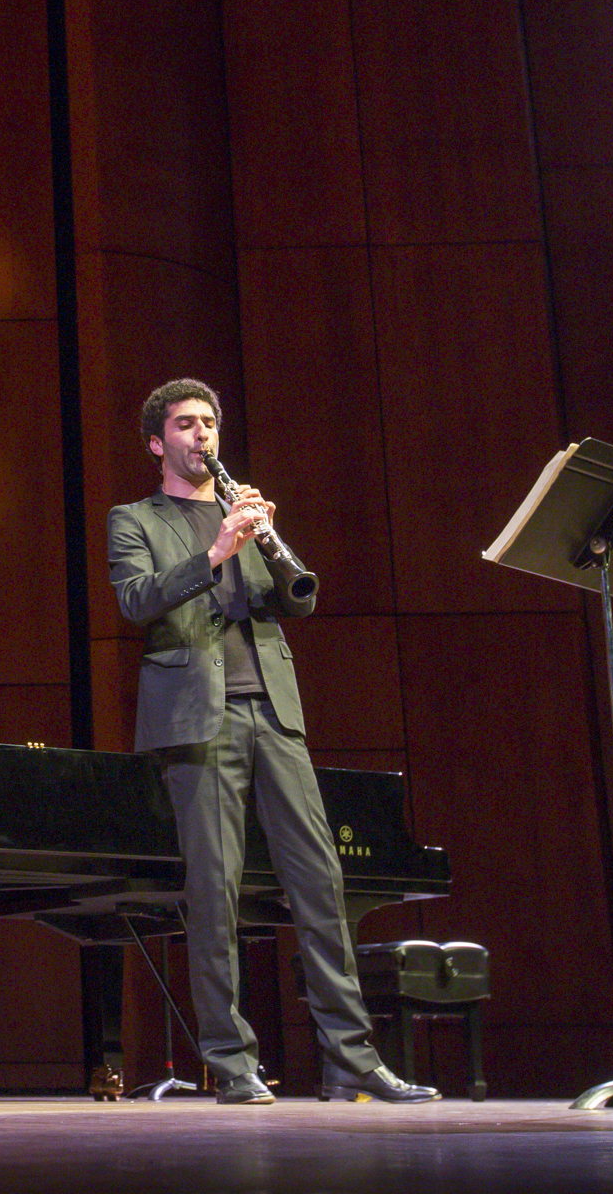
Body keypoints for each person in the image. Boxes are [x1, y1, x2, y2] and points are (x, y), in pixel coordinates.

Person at [108, 378, 436, 1106]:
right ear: (158, 443)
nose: (203, 435)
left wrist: (270, 550)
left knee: (320, 882)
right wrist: (217, 550)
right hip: (197, 719)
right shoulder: (134, 519)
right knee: (214, 891)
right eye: (187, 425)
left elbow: (295, 600)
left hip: (273, 711)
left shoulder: (240, 509)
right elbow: (137, 601)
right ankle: (230, 1062)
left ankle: (352, 1058)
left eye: (210, 423)